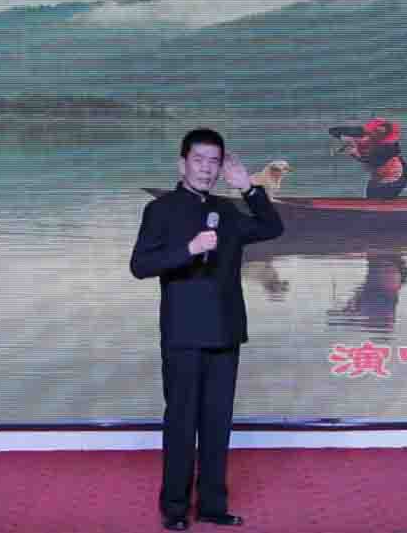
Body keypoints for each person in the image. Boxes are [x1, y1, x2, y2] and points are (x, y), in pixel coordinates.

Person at [130, 128, 284, 531]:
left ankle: (213, 505)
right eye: (198, 160)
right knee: (182, 422)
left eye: (214, 162)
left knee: (218, 423)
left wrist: (248, 188)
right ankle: (175, 508)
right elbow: (140, 265)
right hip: (183, 332)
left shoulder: (227, 210)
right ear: (182, 164)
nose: (206, 168)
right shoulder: (161, 210)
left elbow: (272, 228)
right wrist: (190, 249)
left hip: (225, 330)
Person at [328, 117, 407, 198]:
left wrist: (355, 153)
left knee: (377, 196)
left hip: (395, 176)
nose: (373, 134)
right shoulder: (366, 135)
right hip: (379, 175)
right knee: (372, 195)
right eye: (374, 130)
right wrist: (345, 137)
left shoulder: (389, 147)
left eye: (380, 132)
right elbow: (334, 131)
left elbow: (373, 162)